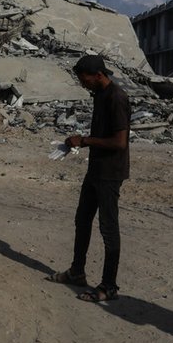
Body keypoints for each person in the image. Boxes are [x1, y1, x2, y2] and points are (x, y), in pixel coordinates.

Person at [47, 55, 131, 302]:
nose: (83, 84)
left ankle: (108, 286)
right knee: (82, 220)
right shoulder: (100, 95)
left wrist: (84, 141)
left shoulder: (117, 97)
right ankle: (76, 272)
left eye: (85, 79)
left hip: (110, 173)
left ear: (98, 75)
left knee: (108, 228)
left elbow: (119, 141)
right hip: (96, 170)